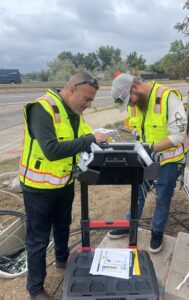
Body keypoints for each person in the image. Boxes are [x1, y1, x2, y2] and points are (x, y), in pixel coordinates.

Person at [19, 72, 107, 300]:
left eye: (92, 101)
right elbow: (52, 150)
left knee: (63, 226)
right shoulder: (42, 108)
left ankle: (62, 260)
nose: (88, 105)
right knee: (38, 240)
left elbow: (84, 136)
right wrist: (91, 140)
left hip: (63, 183)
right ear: (71, 90)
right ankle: (35, 289)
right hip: (37, 188)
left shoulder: (74, 113)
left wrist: (101, 140)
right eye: (86, 99)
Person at [108, 73, 189, 253]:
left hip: (169, 160)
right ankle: (129, 223)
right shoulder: (137, 103)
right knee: (138, 192)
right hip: (146, 156)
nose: (130, 105)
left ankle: (157, 231)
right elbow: (138, 127)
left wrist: (151, 148)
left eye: (129, 100)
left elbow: (178, 136)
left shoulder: (168, 97)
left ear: (134, 87)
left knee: (162, 197)